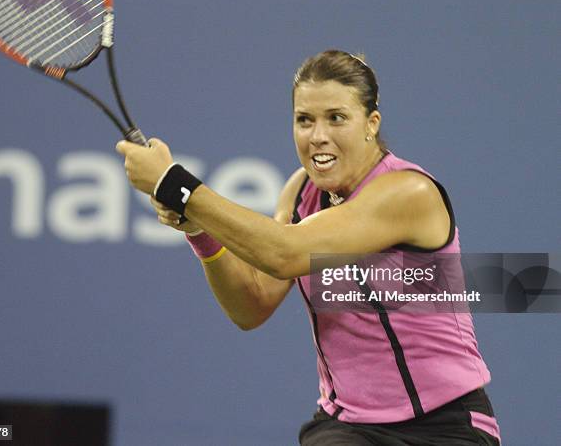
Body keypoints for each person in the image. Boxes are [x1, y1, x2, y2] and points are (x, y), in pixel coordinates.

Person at [115, 50, 501, 445]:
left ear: (371, 124)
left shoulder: (407, 192)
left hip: (446, 427)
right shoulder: (300, 191)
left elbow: (286, 253)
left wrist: (173, 184)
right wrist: (199, 230)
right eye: (304, 120)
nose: (318, 135)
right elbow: (251, 304)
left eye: (336, 118)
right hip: (348, 427)